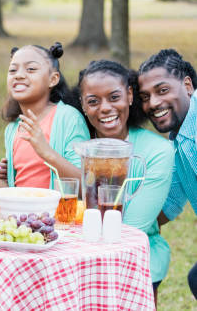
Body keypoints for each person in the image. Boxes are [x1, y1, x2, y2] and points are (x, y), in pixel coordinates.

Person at [71, 59, 174, 302]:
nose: (105, 108)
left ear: (129, 95)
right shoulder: (76, 145)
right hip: (77, 256)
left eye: (114, 97)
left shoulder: (157, 150)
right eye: (93, 101)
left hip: (136, 256)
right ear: (83, 106)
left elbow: (133, 226)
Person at [0, 42, 89, 188]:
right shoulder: (13, 129)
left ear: (53, 79)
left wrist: (46, 152)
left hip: (59, 210)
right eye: (13, 70)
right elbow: (12, 193)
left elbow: (85, 186)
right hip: (21, 210)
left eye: (31, 69)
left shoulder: (68, 118)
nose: (19, 75)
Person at [137, 49, 197, 299]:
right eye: (145, 97)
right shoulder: (178, 144)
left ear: (187, 85)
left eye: (162, 90)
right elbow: (165, 207)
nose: (153, 103)